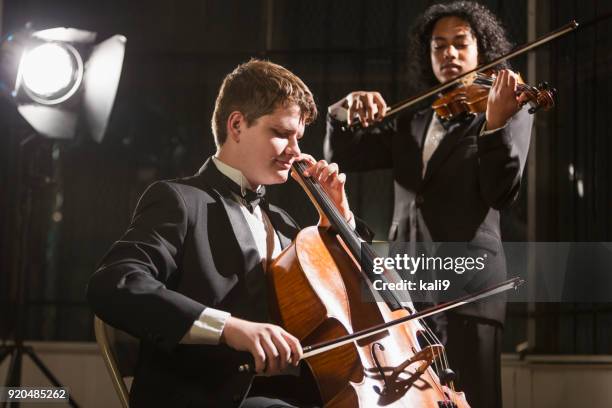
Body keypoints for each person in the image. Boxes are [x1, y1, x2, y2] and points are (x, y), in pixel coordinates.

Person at [87, 59, 367, 408]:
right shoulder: (180, 201)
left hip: (296, 396)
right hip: (210, 398)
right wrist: (230, 328)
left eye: (299, 137)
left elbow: (365, 293)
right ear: (237, 125)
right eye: (281, 133)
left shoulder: (283, 223)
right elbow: (115, 283)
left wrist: (339, 222)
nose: (296, 151)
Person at [324, 2, 534, 408]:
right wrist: (341, 112)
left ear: (481, 50)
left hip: (469, 288)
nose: (449, 54)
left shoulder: (508, 107)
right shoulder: (415, 118)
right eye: (439, 46)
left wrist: (493, 127)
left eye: (460, 44)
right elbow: (347, 156)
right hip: (411, 286)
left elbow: (502, 191)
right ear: (429, 55)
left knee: (473, 400)